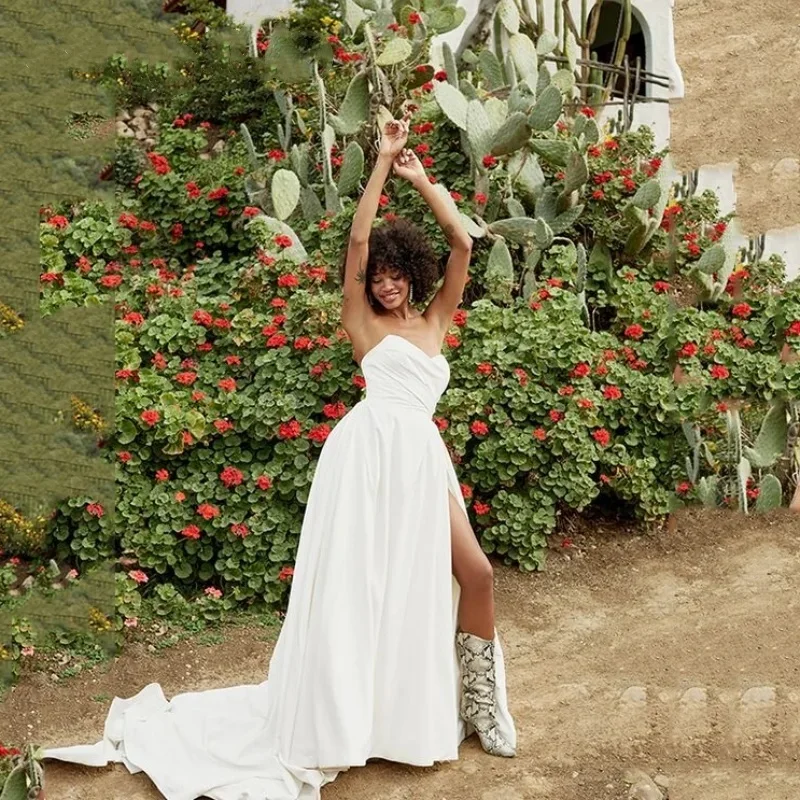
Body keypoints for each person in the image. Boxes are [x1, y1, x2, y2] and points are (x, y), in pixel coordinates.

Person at [43, 112, 516, 800]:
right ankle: (353, 714)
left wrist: (421, 178)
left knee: (475, 572)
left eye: (392, 274)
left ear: (412, 275)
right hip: (364, 459)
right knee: (361, 593)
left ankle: (483, 706)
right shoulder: (362, 320)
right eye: (377, 275)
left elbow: (463, 244)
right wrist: (382, 160)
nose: (384, 284)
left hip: (420, 456)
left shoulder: (435, 318)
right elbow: (356, 237)